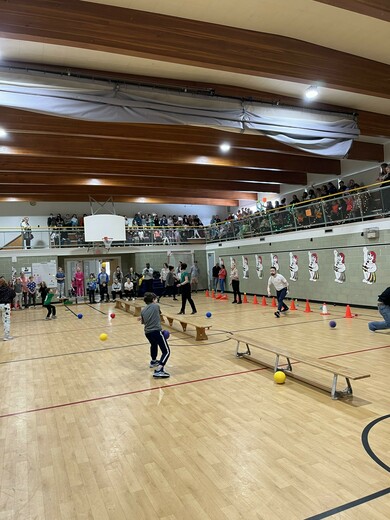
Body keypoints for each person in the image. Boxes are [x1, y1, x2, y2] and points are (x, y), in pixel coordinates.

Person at [139, 292, 170, 378]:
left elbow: (143, 322)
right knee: (166, 351)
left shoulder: (143, 310)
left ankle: (153, 361)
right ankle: (159, 369)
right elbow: (159, 313)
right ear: (153, 300)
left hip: (147, 332)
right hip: (156, 331)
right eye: (156, 299)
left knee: (153, 344)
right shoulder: (156, 306)